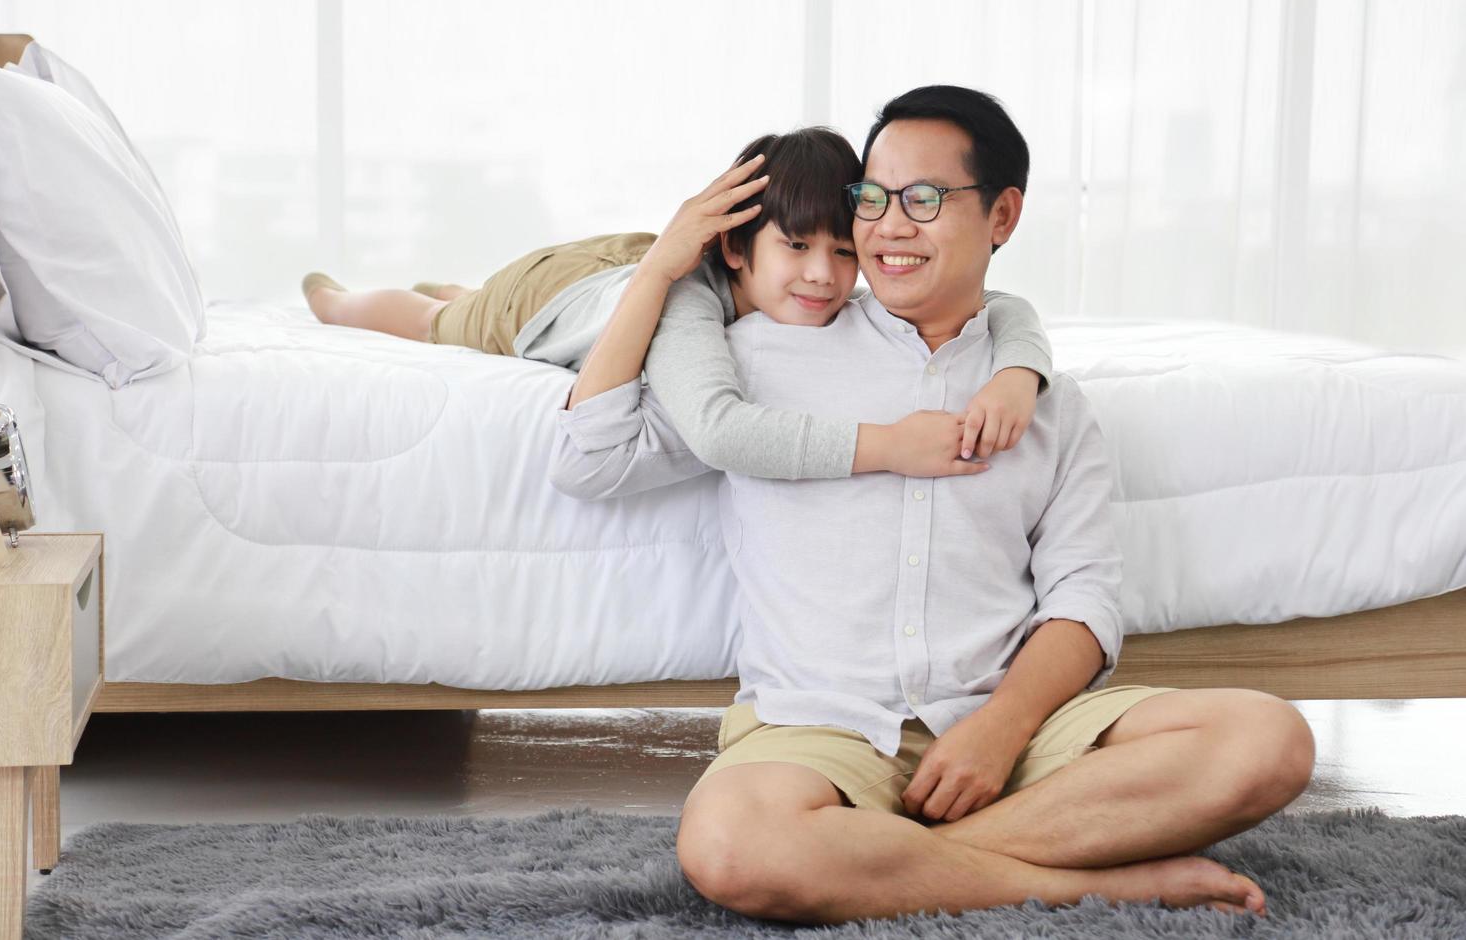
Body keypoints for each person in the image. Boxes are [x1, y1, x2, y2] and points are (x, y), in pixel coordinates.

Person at [548, 86, 1316, 924]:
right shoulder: (763, 350)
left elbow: (1083, 602)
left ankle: (903, 860)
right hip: (819, 728)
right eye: (872, 200)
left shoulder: (1046, 402)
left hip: (1004, 721)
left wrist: (1001, 731)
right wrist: (665, 266)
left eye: (923, 199)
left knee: (1267, 740)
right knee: (731, 844)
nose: (886, 227)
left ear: (1002, 215)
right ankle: (1085, 878)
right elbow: (594, 458)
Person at [303, 128, 1055, 482]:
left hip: (641, 258)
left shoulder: (812, 279)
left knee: (470, 292)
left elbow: (999, 302)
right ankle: (342, 300)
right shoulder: (689, 310)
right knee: (441, 322)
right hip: (555, 296)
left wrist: (1019, 371)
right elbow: (699, 432)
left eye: (843, 252)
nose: (826, 277)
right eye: (796, 248)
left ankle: (461, 285)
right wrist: (664, 266)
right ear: (737, 249)